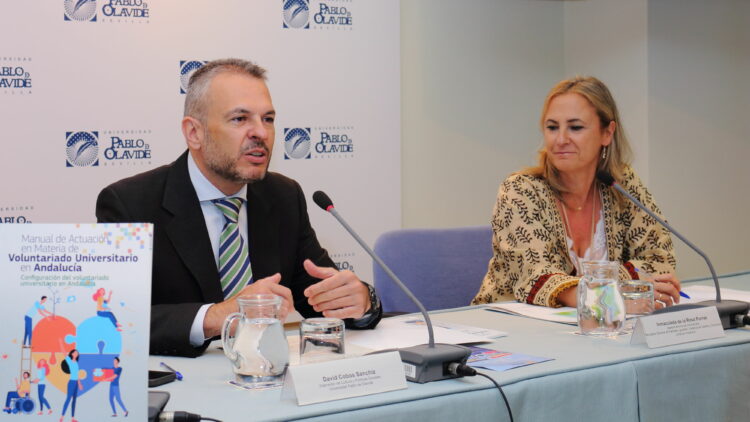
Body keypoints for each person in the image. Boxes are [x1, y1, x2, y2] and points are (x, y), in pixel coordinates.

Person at [96, 58, 382, 357]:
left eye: (268, 119)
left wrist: (360, 301)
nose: (261, 133)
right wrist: (218, 316)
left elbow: (320, 300)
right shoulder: (130, 203)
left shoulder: (283, 196)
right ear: (194, 132)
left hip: (268, 378)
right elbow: (116, 322)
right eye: (240, 119)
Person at [472, 76, 679, 309]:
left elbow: (658, 259)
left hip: (596, 329)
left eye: (575, 127)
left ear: (607, 133)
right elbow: (536, 277)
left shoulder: (622, 184)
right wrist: (611, 298)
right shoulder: (520, 190)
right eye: (552, 127)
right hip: (513, 328)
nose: (560, 139)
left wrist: (605, 294)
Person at [60, 349, 82, 422]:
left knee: (74, 400)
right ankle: (62, 417)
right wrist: (60, 342)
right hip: (71, 382)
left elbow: (77, 374)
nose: (77, 353)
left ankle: (72, 418)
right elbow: (63, 352)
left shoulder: (76, 363)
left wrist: (79, 384)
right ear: (72, 354)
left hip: (76, 383)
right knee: (68, 399)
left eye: (77, 353)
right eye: (75, 352)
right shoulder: (69, 361)